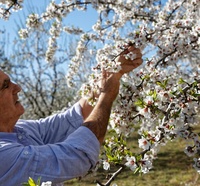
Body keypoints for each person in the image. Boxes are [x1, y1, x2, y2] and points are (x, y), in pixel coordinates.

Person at [0, 45, 142, 186]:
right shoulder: (3, 155)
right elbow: (76, 156)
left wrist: (113, 73)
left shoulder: (21, 129)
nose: (17, 87)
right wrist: (106, 96)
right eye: (6, 86)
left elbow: (69, 120)